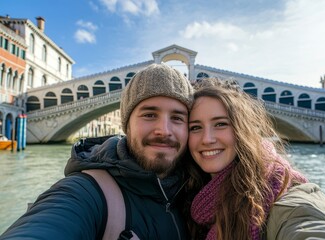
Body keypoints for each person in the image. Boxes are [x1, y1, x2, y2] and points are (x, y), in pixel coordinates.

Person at [0, 63, 194, 240]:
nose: (164, 130)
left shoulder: (199, 188)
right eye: (149, 115)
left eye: (177, 118)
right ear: (127, 126)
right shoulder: (86, 192)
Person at [185, 78, 325, 240]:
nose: (207, 139)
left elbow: (308, 225)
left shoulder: (288, 201)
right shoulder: (186, 192)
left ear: (242, 130)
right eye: (195, 127)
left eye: (221, 124)